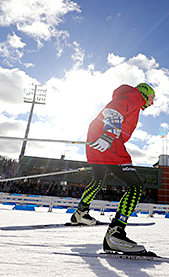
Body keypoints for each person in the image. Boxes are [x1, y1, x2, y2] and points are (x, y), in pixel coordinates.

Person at [70, 83, 155, 254]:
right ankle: (116, 233)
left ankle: (81, 212)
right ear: (145, 93)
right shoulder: (135, 96)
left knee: (97, 181)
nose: (152, 103)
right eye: (152, 98)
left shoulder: (132, 99)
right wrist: (109, 134)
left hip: (97, 140)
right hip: (108, 140)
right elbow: (114, 108)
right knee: (136, 186)